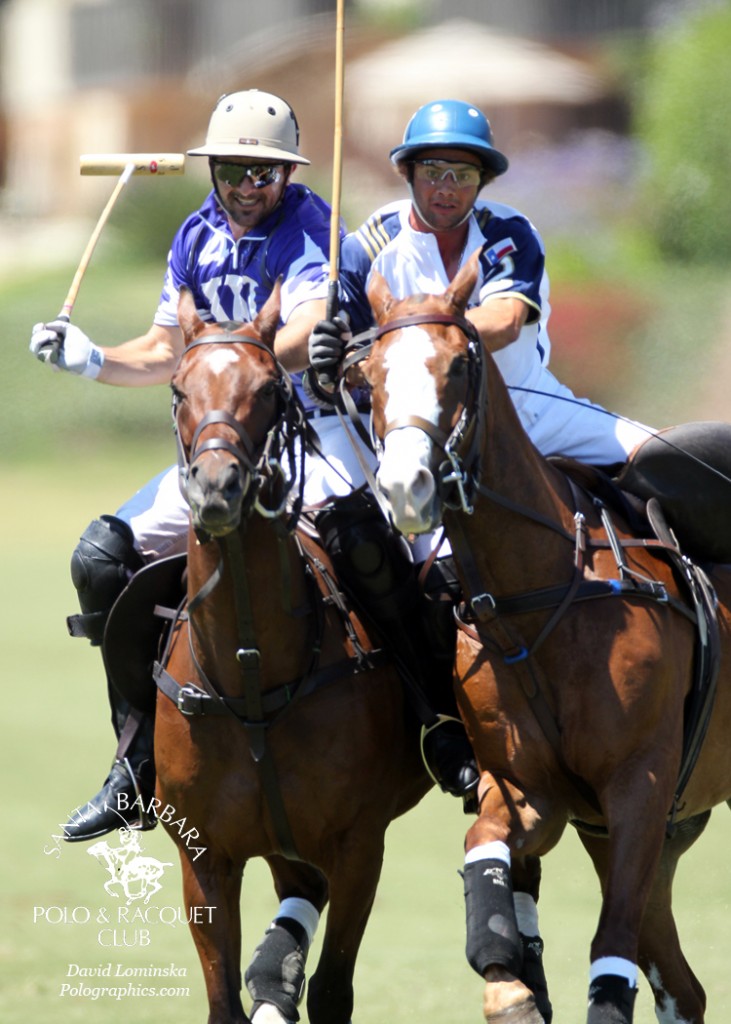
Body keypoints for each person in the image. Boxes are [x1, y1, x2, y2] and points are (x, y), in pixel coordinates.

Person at [30, 89, 474, 842]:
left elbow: (301, 332)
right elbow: (166, 350)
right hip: (225, 438)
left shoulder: (311, 229)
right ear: (214, 169)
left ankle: (437, 721)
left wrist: (244, 359)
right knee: (100, 559)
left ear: (285, 175)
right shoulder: (193, 236)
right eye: (234, 170)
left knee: (363, 540)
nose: (246, 186)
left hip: (315, 428)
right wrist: (90, 359)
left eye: (263, 173)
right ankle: (135, 760)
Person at [309, 98, 653, 475]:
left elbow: (505, 321)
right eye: (433, 170)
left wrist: (413, 338)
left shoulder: (507, 232)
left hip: (529, 410)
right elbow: (349, 368)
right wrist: (328, 364)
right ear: (406, 171)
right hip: (418, 426)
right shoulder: (367, 249)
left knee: (670, 457)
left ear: (483, 181)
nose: (447, 187)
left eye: (464, 174)